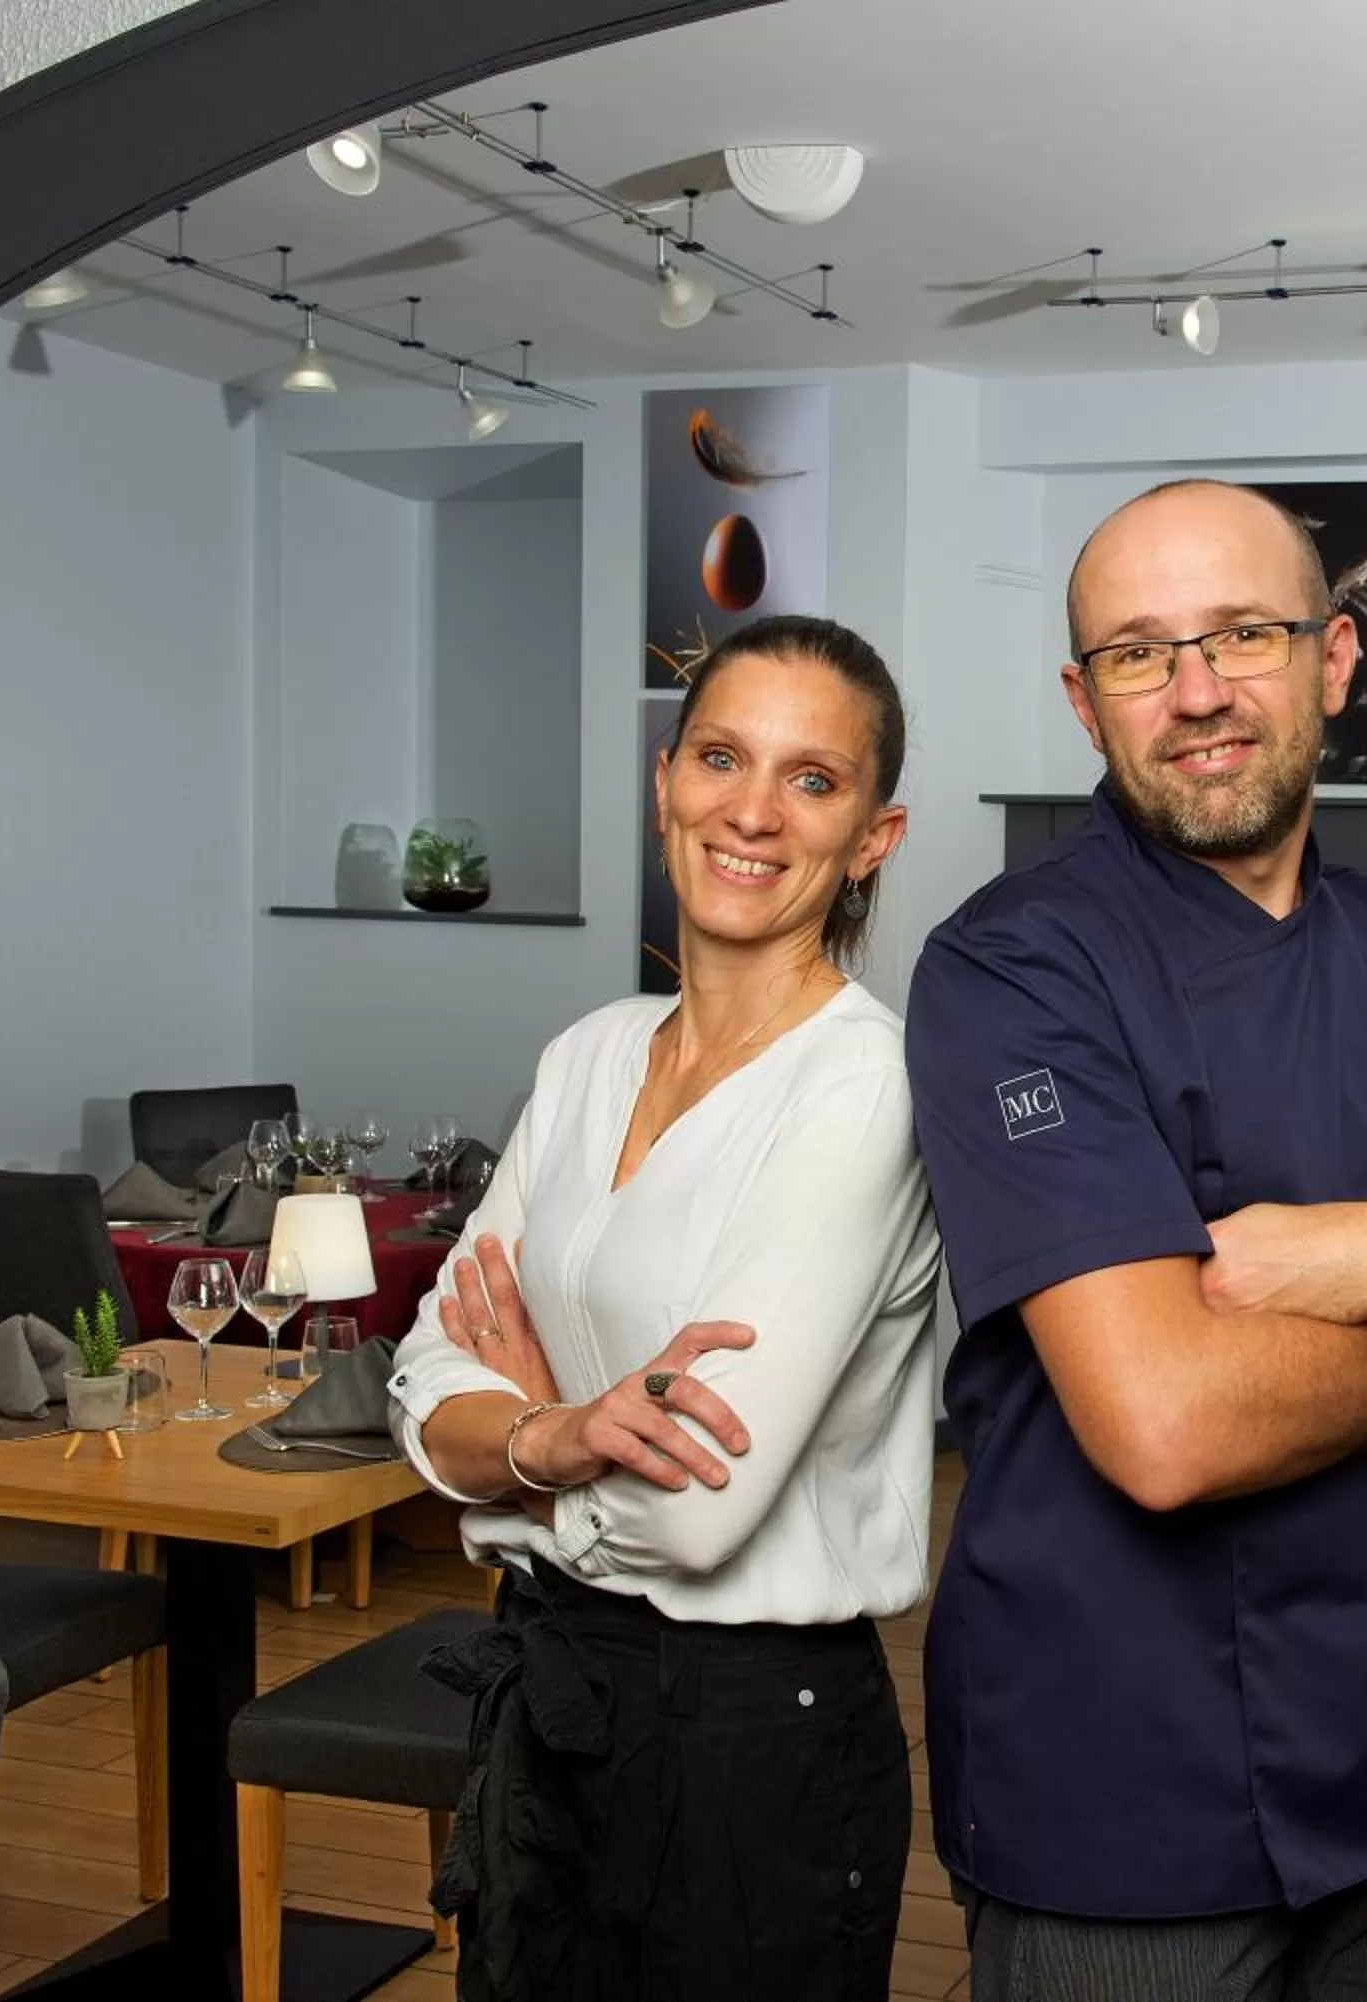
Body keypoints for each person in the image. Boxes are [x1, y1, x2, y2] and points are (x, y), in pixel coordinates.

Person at [905, 481, 1367, 2000]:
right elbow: (1166, 1423)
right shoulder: (1012, 966)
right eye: (1137, 653)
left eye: (1243, 633)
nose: (1195, 693)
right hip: (1115, 1796)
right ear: (1083, 700)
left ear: (1335, 659)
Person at [386, 614, 943, 2002]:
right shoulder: (583, 1057)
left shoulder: (865, 1085)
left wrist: (516, 1466)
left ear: (874, 836)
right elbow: (420, 1372)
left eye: (813, 780)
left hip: (754, 1740)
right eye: (720, 756)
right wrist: (568, 1433)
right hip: (551, 1699)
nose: (752, 809)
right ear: (665, 779)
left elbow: (701, 1508)